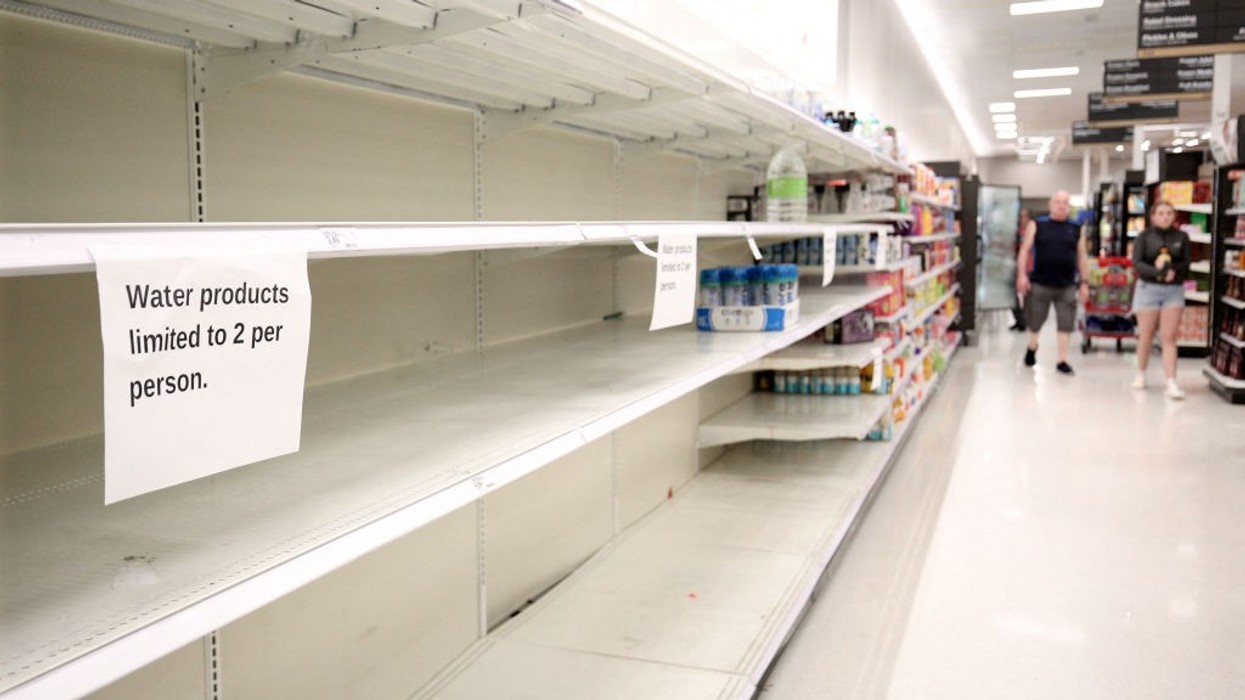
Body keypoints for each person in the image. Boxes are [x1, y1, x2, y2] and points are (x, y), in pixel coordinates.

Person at [1016, 190, 1089, 374]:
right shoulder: (1037, 225)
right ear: (1051, 204)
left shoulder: (1076, 228)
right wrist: (1022, 275)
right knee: (1035, 321)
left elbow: (1082, 256)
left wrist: (1084, 282)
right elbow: (1025, 250)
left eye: (1065, 202)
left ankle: (1062, 360)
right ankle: (1032, 347)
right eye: (1058, 202)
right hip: (1040, 282)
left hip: (1067, 284)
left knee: (1066, 323)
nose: (1061, 205)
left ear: (1069, 206)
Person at [1131, 200, 1189, 399]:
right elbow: (1137, 263)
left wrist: (1174, 271)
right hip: (1148, 289)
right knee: (1146, 335)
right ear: (1153, 216)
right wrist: (1157, 272)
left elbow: (1186, 263)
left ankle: (1171, 381)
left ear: (1174, 216)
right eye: (1161, 213)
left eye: (1169, 213)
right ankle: (1141, 373)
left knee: (1169, 337)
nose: (1165, 216)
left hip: (1173, 291)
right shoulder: (1144, 237)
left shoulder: (1182, 237)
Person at [1010, 208, 1032, 332]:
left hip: (1030, 267)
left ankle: (1026, 320)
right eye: (1020, 216)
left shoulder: (1032, 231)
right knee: (1011, 294)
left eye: (1023, 216)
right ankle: (1019, 320)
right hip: (1016, 266)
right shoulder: (1016, 232)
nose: (1021, 219)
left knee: (1028, 295)